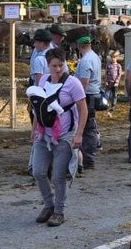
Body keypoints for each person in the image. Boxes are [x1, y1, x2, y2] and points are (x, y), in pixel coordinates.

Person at [30, 48, 87, 227]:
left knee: (58, 175)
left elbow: (83, 109)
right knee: (38, 171)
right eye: (54, 65)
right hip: (44, 133)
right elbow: (37, 108)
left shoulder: (73, 83)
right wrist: (33, 129)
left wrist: (79, 134)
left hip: (65, 135)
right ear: (48, 65)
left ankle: (58, 211)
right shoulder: (43, 81)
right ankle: (48, 204)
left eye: (61, 65)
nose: (58, 69)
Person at [74, 35, 101, 170]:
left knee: (86, 127)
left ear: (79, 46)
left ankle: (87, 159)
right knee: (89, 127)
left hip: (87, 96)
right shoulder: (95, 56)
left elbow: (84, 82)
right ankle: (88, 157)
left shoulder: (85, 61)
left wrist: (78, 98)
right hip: (93, 94)